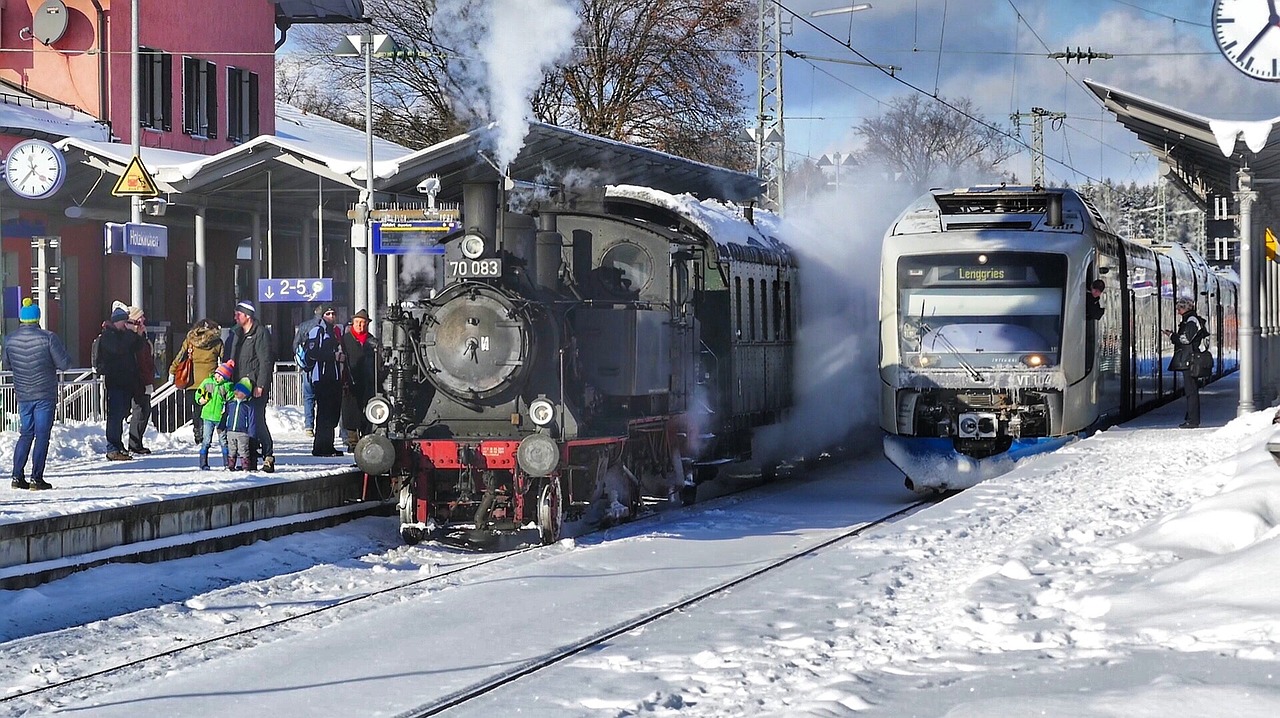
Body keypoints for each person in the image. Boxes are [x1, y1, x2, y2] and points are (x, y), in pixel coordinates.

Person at [3, 299, 72, 490]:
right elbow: (64, 364)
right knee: (42, 435)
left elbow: (6, 364)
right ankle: (36, 478)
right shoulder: (48, 337)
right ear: (37, 317)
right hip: (44, 394)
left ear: (21, 318)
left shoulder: (10, 339)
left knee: (26, 433)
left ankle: (17, 477)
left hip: (23, 394)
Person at [222, 300, 275, 472]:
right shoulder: (237, 333)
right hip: (239, 386)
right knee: (243, 424)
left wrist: (261, 385)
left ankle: (268, 455)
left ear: (247, 316)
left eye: (238, 314)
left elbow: (265, 361)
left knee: (257, 422)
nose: (235, 317)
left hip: (254, 385)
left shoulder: (260, 333)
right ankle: (250, 459)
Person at [95, 304, 143, 460]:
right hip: (115, 381)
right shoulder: (109, 336)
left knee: (121, 415)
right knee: (115, 416)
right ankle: (112, 447)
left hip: (126, 382)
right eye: (124, 321)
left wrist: (140, 334)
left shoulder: (123, 335)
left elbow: (137, 347)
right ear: (117, 321)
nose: (126, 324)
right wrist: (130, 333)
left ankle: (118, 445)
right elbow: (119, 349)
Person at [171, 318, 224, 445]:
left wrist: (172, 370)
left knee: (196, 408)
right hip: (209, 382)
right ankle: (206, 433)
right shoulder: (217, 342)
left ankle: (197, 432)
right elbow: (223, 360)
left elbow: (180, 355)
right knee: (207, 408)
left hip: (192, 381)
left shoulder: (190, 340)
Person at [302, 304, 345, 457]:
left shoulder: (333, 332)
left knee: (332, 412)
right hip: (322, 377)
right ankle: (321, 446)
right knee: (324, 413)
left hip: (333, 376)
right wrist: (332, 356)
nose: (331, 316)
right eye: (328, 313)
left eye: (333, 313)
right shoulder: (318, 331)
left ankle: (328, 444)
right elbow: (313, 353)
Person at [1165, 297, 1207, 429]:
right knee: (1191, 390)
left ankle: (1193, 420)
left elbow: (1185, 339)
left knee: (1191, 391)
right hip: (1190, 358)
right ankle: (1191, 418)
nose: (1178, 311)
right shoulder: (1190, 320)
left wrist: (1172, 336)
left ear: (1186, 308)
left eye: (1180, 308)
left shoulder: (1191, 320)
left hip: (1190, 359)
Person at [341, 308, 380, 449]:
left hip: (368, 380)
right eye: (357, 322)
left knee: (367, 411)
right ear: (352, 323)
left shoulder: (371, 341)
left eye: (363, 323)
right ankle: (352, 442)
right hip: (350, 380)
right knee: (351, 412)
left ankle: (365, 439)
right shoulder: (345, 340)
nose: (360, 326)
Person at [125, 306, 155, 455]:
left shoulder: (142, 337)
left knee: (144, 409)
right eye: (140, 318)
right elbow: (140, 360)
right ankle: (134, 444)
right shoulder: (134, 338)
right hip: (137, 379)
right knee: (140, 410)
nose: (144, 321)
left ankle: (136, 442)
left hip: (143, 377)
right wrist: (145, 380)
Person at [292, 304, 325, 437]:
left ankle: (309, 426)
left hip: (307, 366)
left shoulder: (304, 325)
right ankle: (322, 425)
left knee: (308, 397)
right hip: (322, 367)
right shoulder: (325, 327)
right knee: (323, 397)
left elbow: (295, 345)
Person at [195, 360, 235, 470]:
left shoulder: (228, 386)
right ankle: (203, 463)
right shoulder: (207, 382)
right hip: (207, 416)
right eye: (218, 374)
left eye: (222, 376)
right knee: (206, 440)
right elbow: (198, 392)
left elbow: (231, 400)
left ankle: (227, 463)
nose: (218, 378)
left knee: (223, 440)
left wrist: (227, 409)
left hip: (220, 417)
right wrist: (200, 400)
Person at [223, 378, 258, 471]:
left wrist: (251, 433)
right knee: (231, 449)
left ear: (245, 393)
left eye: (240, 390)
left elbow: (252, 419)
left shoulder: (248, 405)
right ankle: (230, 465)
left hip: (243, 432)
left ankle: (245, 466)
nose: (236, 392)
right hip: (231, 430)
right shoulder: (230, 403)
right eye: (236, 389)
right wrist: (222, 426)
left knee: (243, 450)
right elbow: (226, 415)